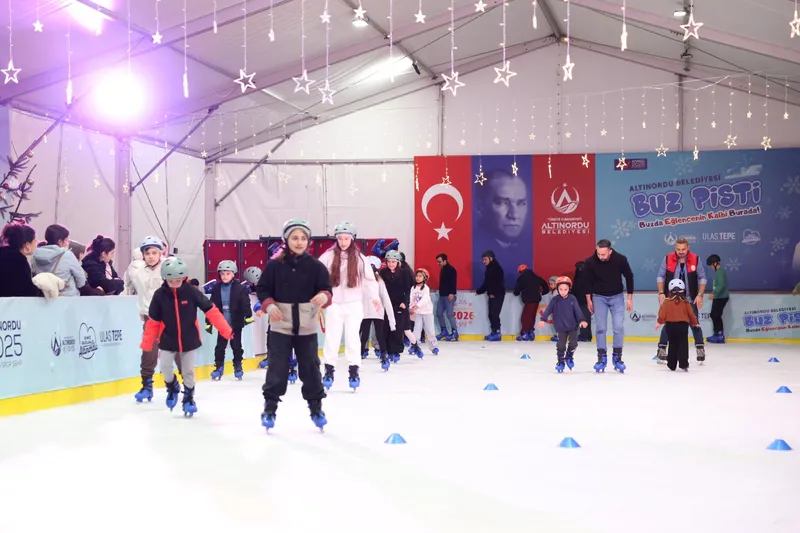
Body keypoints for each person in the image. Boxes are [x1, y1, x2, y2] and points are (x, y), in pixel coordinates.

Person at [256, 219, 331, 431]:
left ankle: (316, 408)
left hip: (307, 326)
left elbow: (327, 289)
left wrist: (324, 296)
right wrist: (269, 305)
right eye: (295, 238)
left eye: (303, 238)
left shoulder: (316, 266)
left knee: (311, 369)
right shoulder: (274, 266)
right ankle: (270, 408)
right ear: (286, 239)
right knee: (277, 369)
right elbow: (263, 289)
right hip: (281, 326)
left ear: (308, 241)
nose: (299, 242)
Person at [141, 257, 232, 417]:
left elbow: (211, 310)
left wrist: (226, 330)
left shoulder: (191, 291)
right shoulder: (160, 295)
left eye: (178, 280)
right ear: (165, 278)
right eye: (171, 281)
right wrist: (147, 343)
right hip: (167, 339)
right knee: (165, 368)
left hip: (189, 339)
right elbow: (153, 322)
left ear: (184, 277)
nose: (175, 284)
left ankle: (189, 398)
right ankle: (172, 386)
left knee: (188, 371)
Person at [318, 221, 380, 391]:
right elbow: (316, 275)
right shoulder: (328, 256)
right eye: (340, 238)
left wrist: (374, 297)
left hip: (353, 305)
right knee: (332, 337)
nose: (343, 242)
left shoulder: (360, 259)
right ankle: (329, 370)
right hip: (334, 305)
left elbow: (369, 281)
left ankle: (354, 370)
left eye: (346, 238)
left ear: (352, 239)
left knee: (353, 338)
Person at [127, 237, 175, 403]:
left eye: (154, 253)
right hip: (151, 317)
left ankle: (178, 386)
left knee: (175, 353)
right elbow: (142, 294)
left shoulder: (169, 266)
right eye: (147, 253)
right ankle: (147, 386)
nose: (151, 256)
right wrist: (143, 310)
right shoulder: (138, 272)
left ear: (161, 253)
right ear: (143, 255)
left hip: (170, 317)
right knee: (148, 351)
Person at [473, 170, 531, 289]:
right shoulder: (471, 250)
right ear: (480, 207)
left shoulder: (530, 249)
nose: (514, 215)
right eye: (502, 202)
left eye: (521, 203)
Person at [584, 239, 634, 373]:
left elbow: (629, 277)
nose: (600, 257)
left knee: (618, 327)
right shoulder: (590, 262)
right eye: (598, 254)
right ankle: (601, 357)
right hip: (598, 297)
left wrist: (629, 298)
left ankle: (617, 357)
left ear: (610, 251)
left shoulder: (620, 259)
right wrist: (589, 300)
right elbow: (587, 281)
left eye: (603, 254)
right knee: (601, 328)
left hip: (617, 296)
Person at [655, 238, 707, 364]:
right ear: (675, 248)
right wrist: (661, 292)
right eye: (678, 249)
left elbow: (702, 278)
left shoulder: (696, 259)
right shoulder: (667, 258)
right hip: (671, 299)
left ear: (688, 248)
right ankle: (661, 349)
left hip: (690, 298)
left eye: (683, 249)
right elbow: (660, 276)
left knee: (695, 323)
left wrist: (700, 295)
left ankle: (700, 349)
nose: (681, 252)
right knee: (668, 324)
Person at [207, 260, 254, 381]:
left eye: (227, 273)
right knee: (220, 347)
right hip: (222, 324)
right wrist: (208, 322)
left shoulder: (240, 288)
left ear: (233, 274)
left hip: (235, 323)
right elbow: (211, 306)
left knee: (236, 346)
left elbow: (245, 303)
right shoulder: (217, 288)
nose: (225, 276)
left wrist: (248, 315)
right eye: (222, 274)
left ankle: (238, 365)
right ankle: (219, 367)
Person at [538, 276, 588, 373]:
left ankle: (569, 356)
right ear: (557, 289)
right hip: (560, 326)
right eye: (561, 289)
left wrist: (582, 320)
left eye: (565, 289)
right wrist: (543, 319)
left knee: (573, 343)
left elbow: (577, 310)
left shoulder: (572, 298)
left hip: (572, 326)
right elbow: (548, 310)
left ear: (569, 289)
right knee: (561, 345)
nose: (563, 292)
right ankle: (560, 362)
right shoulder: (555, 300)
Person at [655, 279, 700, 372]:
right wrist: (695, 323)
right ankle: (684, 363)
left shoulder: (666, 301)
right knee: (683, 344)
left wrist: (659, 322)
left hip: (670, 325)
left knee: (672, 343)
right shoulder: (685, 302)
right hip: (683, 326)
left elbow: (662, 313)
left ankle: (671, 364)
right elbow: (691, 314)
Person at [32, 224, 87, 297]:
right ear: (60, 241)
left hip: (44, 298)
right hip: (67, 297)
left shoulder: (35, 255)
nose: (68, 243)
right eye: (67, 240)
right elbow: (81, 280)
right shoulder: (67, 255)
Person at [360, 255, 395, 370]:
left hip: (377, 313)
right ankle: (359, 356)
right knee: (363, 336)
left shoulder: (380, 282)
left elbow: (386, 300)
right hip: (365, 313)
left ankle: (384, 356)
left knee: (380, 336)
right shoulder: (361, 282)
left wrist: (392, 321)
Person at [380, 250, 413, 364]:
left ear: (398, 262)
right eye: (389, 262)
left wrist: (405, 302)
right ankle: (387, 351)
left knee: (398, 329)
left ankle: (396, 351)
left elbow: (408, 289)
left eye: (393, 262)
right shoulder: (383, 273)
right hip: (386, 304)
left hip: (399, 305)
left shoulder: (404, 273)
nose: (391, 264)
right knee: (386, 328)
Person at [0, 221, 40, 297]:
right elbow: (27, 290)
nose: (36, 243)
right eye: (35, 240)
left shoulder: (3, 253)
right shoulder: (19, 260)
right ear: (27, 244)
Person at [475, 250, 505, 341]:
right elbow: (487, 283)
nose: (484, 261)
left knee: (494, 314)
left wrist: (494, 293)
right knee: (490, 314)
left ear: (490, 259)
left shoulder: (497, 268)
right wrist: (479, 291)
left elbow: (498, 282)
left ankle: (498, 333)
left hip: (498, 294)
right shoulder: (489, 269)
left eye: (485, 259)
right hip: (492, 294)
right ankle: (493, 332)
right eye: (483, 260)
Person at [513, 264, 548, 341]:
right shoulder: (535, 276)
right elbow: (544, 284)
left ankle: (525, 333)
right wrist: (544, 292)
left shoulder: (522, 277)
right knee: (532, 316)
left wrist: (516, 293)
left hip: (528, 299)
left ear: (520, 271)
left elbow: (517, 290)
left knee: (525, 317)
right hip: (536, 299)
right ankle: (531, 333)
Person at [410, 268, 439, 356]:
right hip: (417, 313)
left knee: (430, 330)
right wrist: (411, 307)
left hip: (427, 312)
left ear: (425, 278)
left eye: (420, 276)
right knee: (416, 330)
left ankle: (434, 346)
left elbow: (425, 299)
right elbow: (411, 299)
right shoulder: (413, 288)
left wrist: (417, 306)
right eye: (417, 276)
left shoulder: (426, 288)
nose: (418, 278)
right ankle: (414, 346)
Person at [705, 254, 728, 344]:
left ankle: (720, 335)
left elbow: (721, 285)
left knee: (716, 315)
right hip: (718, 297)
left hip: (721, 297)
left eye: (711, 265)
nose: (711, 267)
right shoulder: (718, 272)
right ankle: (716, 334)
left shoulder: (720, 272)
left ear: (715, 263)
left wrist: (713, 293)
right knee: (714, 315)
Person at [435, 253, 458, 341]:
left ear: (445, 261)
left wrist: (452, 293)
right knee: (439, 313)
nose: (438, 263)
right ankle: (444, 330)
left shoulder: (451, 270)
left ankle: (454, 332)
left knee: (449, 314)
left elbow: (453, 282)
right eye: (437, 262)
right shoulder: (442, 269)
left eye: (440, 262)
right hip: (442, 295)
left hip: (449, 295)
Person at [572, 260, 593, 342]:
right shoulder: (590, 278)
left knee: (582, 318)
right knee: (587, 318)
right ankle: (588, 336)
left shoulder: (578, 279)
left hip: (580, 301)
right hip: (588, 301)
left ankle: (584, 336)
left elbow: (575, 290)